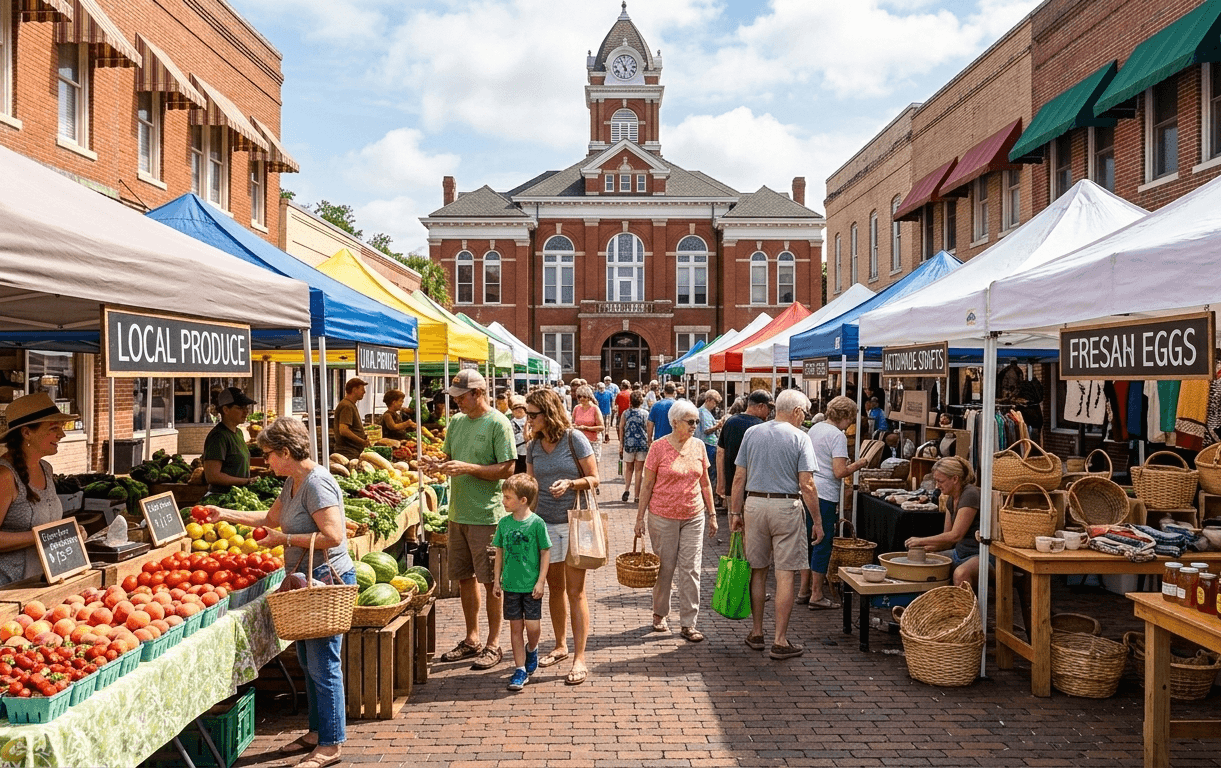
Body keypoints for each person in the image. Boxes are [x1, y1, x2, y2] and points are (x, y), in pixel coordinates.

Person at [204, 417, 354, 768]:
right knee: (309, 663)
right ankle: (317, 732)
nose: (265, 460)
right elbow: (269, 520)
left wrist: (284, 540)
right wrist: (223, 513)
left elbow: (334, 536)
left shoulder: (317, 483)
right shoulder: (293, 482)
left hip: (324, 581)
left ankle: (331, 744)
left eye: (268, 454)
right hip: (303, 580)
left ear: (286, 452)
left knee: (324, 664)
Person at [424, 370, 517, 671]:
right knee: (465, 578)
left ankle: (493, 643)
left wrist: (468, 468)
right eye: (455, 398)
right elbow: (449, 459)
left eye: (461, 397)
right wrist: (435, 464)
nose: (457, 403)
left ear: (478, 393)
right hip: (457, 514)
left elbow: (508, 469)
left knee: (492, 582)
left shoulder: (498, 423)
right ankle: (471, 638)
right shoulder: (456, 423)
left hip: (486, 516)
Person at [729, 389, 822, 660]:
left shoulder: (752, 433)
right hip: (786, 506)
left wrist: (735, 512)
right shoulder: (800, 437)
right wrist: (817, 520)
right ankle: (780, 640)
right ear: (796, 411)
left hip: (755, 504)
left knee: (757, 571)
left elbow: (739, 477)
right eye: (804, 413)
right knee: (785, 574)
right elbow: (807, 484)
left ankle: (757, 632)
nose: (804, 418)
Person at [524, 388, 599, 685]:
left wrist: (570, 483)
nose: (529, 420)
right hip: (545, 524)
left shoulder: (574, 438)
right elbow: (531, 485)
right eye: (527, 414)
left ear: (549, 413)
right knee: (554, 589)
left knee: (575, 591)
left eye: (533, 414)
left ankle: (580, 657)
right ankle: (560, 645)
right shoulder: (533, 445)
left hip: (574, 523)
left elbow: (594, 478)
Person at [634, 399, 717, 642]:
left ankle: (689, 623)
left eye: (696, 422)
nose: (694, 426)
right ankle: (660, 613)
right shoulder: (658, 447)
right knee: (665, 568)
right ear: (674, 422)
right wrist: (639, 518)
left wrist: (712, 514)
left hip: (693, 515)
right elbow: (647, 484)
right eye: (690, 422)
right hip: (662, 515)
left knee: (691, 569)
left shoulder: (699, 446)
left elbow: (705, 483)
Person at [0, 393, 77, 585]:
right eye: (54, 428)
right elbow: (44, 533)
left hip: (44, 581)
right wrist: (45, 535)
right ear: (27, 433)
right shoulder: (5, 476)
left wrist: (70, 533)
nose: (62, 434)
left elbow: (49, 527)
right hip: (10, 587)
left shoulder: (46, 469)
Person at [803, 396, 869, 609]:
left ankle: (804, 590)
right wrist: (859, 464)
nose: (851, 424)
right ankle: (816, 594)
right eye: (851, 418)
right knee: (822, 542)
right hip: (826, 494)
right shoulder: (837, 435)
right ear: (846, 415)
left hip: (809, 489)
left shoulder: (815, 428)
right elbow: (839, 471)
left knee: (809, 540)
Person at [492, 474, 551, 692]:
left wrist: (541, 581)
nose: (503, 501)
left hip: (531, 586)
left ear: (523, 500)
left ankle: (532, 648)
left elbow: (545, 552)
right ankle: (520, 669)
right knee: (515, 627)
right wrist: (496, 580)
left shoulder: (537, 523)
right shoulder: (504, 524)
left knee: (533, 627)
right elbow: (499, 552)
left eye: (508, 497)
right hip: (511, 586)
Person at [904, 456, 985, 589]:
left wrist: (921, 541)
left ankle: (965, 603)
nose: (937, 486)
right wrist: (927, 549)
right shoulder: (950, 498)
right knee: (920, 564)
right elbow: (947, 540)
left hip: (979, 554)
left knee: (960, 574)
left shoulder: (970, 494)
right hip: (959, 552)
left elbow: (955, 535)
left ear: (955, 479)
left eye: (940, 481)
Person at [715, 391, 771, 508]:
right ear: (761, 406)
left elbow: (720, 453)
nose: (770, 412)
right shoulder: (762, 427)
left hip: (731, 486)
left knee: (734, 517)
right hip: (755, 490)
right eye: (769, 408)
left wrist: (721, 483)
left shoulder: (730, 422)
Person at [202, 386, 255, 496]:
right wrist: (246, 481)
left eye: (246, 407)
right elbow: (212, 476)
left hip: (238, 496)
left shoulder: (239, 433)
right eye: (240, 408)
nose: (246, 411)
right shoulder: (218, 436)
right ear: (226, 410)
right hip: (221, 498)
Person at [618, 390, 650, 504]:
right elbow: (648, 429)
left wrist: (621, 444)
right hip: (642, 444)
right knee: (639, 470)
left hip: (629, 443)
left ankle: (626, 489)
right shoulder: (645, 414)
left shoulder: (626, 413)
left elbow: (621, 427)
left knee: (629, 468)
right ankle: (637, 495)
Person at [695, 390, 724, 498]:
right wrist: (717, 426)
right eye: (714, 402)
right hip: (709, 445)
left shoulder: (704, 412)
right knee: (711, 473)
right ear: (708, 400)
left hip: (707, 445)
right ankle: (709, 497)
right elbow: (707, 430)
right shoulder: (703, 412)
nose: (715, 405)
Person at [333, 377, 370, 460]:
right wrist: (362, 441)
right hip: (348, 452)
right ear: (354, 390)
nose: (364, 392)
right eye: (362, 389)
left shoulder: (350, 404)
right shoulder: (347, 406)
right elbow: (343, 430)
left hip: (352, 451)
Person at [571, 385, 605, 462]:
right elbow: (572, 423)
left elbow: (601, 427)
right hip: (579, 440)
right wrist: (574, 426)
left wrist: (586, 428)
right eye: (579, 396)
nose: (582, 399)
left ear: (589, 397)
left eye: (584, 396)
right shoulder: (576, 408)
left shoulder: (595, 408)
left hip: (593, 441)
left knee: (593, 463)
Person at [509, 395, 530, 474]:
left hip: (528, 453)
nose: (518, 410)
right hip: (516, 454)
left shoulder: (530, 421)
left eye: (520, 408)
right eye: (515, 408)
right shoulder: (509, 423)